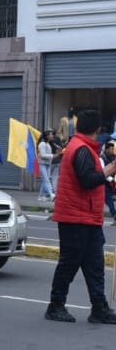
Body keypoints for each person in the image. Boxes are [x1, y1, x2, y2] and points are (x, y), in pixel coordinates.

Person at [44, 109, 116, 324]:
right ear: (98, 129)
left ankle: (99, 307)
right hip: (76, 217)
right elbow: (88, 180)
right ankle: (56, 305)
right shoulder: (82, 149)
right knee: (70, 263)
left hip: (87, 217)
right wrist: (109, 169)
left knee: (95, 264)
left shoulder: (81, 147)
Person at [37, 130, 58, 201]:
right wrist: (52, 156)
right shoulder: (42, 144)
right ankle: (51, 194)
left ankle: (41, 196)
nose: (52, 136)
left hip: (48, 164)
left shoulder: (48, 144)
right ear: (47, 136)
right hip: (42, 164)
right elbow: (42, 155)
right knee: (46, 179)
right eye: (51, 134)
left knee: (45, 180)